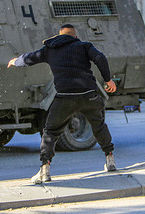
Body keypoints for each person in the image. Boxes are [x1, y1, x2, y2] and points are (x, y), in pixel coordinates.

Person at [7, 24, 117, 184]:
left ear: (59, 36)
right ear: (75, 36)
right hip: (88, 96)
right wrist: (108, 79)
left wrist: (16, 61)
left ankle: (44, 170)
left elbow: (30, 58)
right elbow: (100, 58)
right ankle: (110, 159)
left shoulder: (50, 49)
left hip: (65, 98)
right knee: (99, 126)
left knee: (50, 132)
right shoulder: (84, 46)